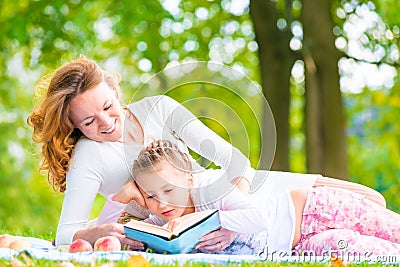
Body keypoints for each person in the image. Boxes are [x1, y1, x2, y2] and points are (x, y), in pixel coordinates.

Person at [27, 56, 386, 249]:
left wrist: (229, 221)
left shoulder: (158, 108)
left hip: (243, 201)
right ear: (74, 126)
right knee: (355, 241)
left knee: (368, 202)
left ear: (116, 91)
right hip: (206, 235)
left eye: (108, 106)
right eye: (89, 121)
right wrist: (112, 218)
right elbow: (65, 234)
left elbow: (235, 162)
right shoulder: (90, 157)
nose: (106, 122)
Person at [100, 140, 400, 256]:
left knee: (393, 231)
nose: (162, 203)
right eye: (150, 196)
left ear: (189, 179)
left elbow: (260, 217)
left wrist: (214, 219)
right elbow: (114, 238)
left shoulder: (212, 189)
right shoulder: (162, 223)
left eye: (168, 190)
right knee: (355, 250)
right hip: (297, 247)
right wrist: (122, 198)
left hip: (313, 209)